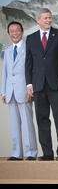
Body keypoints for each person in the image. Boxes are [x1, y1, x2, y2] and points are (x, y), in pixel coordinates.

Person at [25, 8, 58, 161]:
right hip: (38, 85)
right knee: (42, 120)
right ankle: (47, 153)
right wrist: (29, 84)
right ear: (38, 20)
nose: (48, 20)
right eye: (45, 18)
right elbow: (28, 63)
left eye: (50, 18)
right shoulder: (30, 39)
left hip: (57, 84)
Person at [2, 21, 38, 161]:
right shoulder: (7, 51)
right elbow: (5, 73)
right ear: (9, 34)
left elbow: (32, 70)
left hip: (24, 91)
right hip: (10, 92)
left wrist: (31, 88)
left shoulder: (28, 48)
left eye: (17, 30)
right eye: (12, 31)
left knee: (28, 124)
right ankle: (17, 153)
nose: (15, 33)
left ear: (22, 32)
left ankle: (31, 153)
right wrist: (3, 92)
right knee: (14, 125)